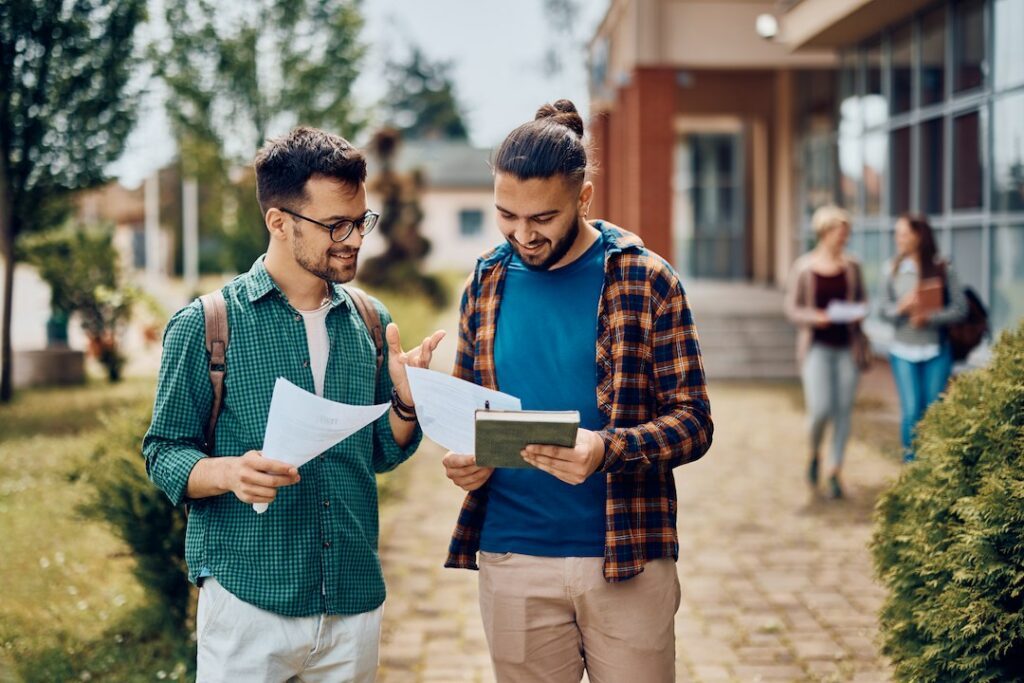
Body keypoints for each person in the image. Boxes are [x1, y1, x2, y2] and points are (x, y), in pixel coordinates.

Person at [143, 127, 444, 682]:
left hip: (352, 604)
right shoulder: (208, 324)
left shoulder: (370, 322)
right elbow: (163, 451)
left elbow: (379, 453)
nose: (353, 239)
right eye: (334, 226)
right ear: (278, 222)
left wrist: (405, 404)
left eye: (360, 221)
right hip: (248, 607)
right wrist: (230, 472)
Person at [439, 99, 713, 683]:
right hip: (512, 555)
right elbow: (468, 412)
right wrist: (465, 458)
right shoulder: (485, 283)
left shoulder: (647, 279)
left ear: (583, 199)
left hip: (628, 556)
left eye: (541, 218)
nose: (521, 234)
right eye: (505, 214)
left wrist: (604, 451)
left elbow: (694, 422)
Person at [784, 205, 869, 499]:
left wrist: (857, 313)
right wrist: (816, 317)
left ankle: (834, 471)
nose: (844, 238)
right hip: (817, 347)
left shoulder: (853, 266)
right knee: (820, 410)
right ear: (825, 232)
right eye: (839, 232)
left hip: (848, 347)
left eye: (846, 233)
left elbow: (863, 301)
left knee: (843, 411)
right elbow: (792, 309)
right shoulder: (804, 268)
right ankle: (814, 453)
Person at [880, 213, 967, 462]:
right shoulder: (892, 269)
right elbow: (882, 310)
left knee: (933, 411)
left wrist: (929, 318)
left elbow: (960, 309)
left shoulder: (942, 267)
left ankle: (932, 466)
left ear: (919, 236)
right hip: (902, 351)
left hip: (936, 351)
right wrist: (901, 308)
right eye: (897, 234)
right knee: (911, 410)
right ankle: (911, 468)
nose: (899, 239)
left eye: (904, 234)